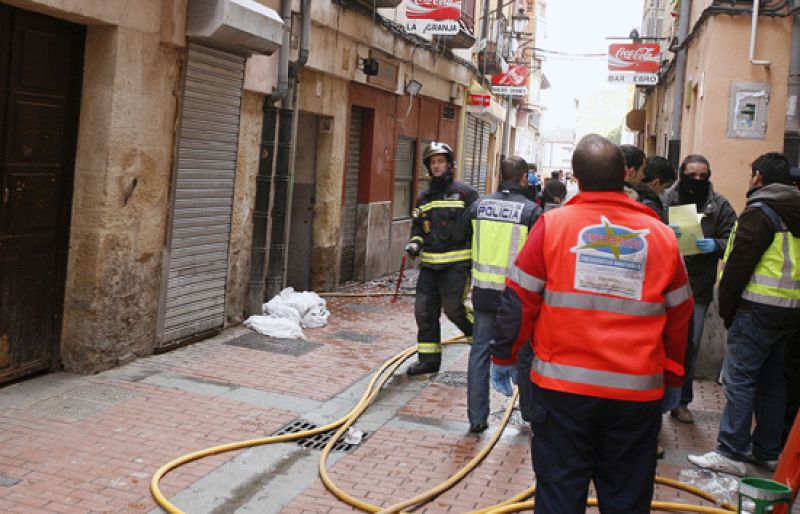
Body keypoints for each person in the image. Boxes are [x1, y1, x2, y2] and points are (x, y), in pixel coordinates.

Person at [490, 134, 692, 513]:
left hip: (562, 392)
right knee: (626, 498)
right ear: (626, 175)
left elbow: (518, 301)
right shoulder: (662, 238)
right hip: (635, 394)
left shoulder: (552, 228)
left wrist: (504, 358)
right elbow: (680, 317)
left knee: (560, 495)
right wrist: (675, 377)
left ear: (578, 180)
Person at [688, 152, 800, 475]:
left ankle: (731, 451)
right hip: (789, 312)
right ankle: (766, 450)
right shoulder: (793, 211)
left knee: (740, 379)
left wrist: (726, 307)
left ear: (758, 178)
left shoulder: (760, 213)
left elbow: (738, 266)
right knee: (773, 381)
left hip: (757, 310)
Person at [467, 156, 542, 433]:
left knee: (479, 353)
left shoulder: (479, 206)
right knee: (525, 353)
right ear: (524, 178)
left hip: (484, 292)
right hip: (517, 298)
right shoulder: (531, 212)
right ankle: (530, 414)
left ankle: (476, 418)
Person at [663, 154, 737, 424]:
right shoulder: (665, 200)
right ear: (681, 174)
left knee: (688, 345)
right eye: (691, 175)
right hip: (664, 283)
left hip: (698, 285)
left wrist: (715, 245)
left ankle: (681, 402)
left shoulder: (719, 205)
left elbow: (734, 236)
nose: (697, 180)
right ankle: (655, 399)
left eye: (702, 176)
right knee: (659, 341)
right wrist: (663, 232)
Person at [404, 141, 478, 375]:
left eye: (440, 161)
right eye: (433, 162)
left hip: (457, 265)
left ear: (449, 164)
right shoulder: (423, 198)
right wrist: (414, 243)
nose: (436, 166)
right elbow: (418, 228)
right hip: (430, 266)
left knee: (453, 309)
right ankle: (428, 360)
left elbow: (478, 228)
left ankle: (480, 340)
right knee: (424, 311)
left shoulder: (466, 194)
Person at [636, 156, 676, 222]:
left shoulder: (630, 194)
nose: (664, 192)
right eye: (665, 187)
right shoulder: (652, 208)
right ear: (656, 183)